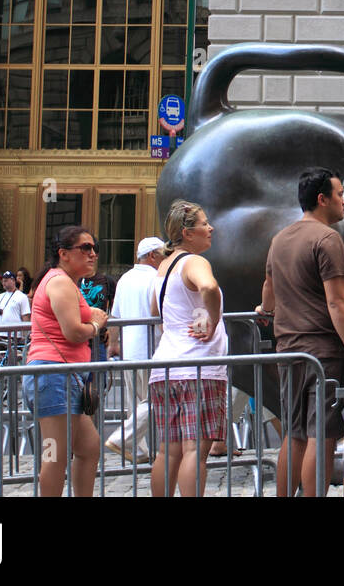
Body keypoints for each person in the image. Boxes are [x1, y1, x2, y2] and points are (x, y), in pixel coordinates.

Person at [259, 167, 344, 497]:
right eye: (340, 195)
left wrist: (265, 312)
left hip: (288, 348)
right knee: (322, 434)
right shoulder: (327, 238)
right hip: (322, 350)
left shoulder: (280, 238)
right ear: (322, 199)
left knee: (295, 432)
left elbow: (269, 292)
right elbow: (337, 303)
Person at [148, 202, 228, 497]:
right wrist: (213, 319)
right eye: (205, 224)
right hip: (198, 367)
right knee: (195, 450)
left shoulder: (163, 267)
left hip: (165, 367)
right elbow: (208, 287)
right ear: (187, 232)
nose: (211, 229)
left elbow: (157, 311)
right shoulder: (194, 262)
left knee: (167, 450)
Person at [23, 225, 109, 497]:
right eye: (85, 248)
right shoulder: (60, 281)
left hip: (60, 376)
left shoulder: (62, 281)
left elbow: (74, 316)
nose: (92, 253)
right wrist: (95, 326)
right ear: (63, 253)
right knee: (54, 455)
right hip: (53, 377)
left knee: (88, 447)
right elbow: (73, 331)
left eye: (94, 248)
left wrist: (91, 315)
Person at [104, 236, 165, 464]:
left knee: (135, 404)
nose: (165, 259)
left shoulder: (125, 279)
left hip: (130, 350)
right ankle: (124, 438)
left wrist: (113, 345)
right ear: (152, 256)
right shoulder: (157, 278)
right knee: (156, 399)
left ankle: (138, 450)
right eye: (162, 254)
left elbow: (115, 316)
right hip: (152, 348)